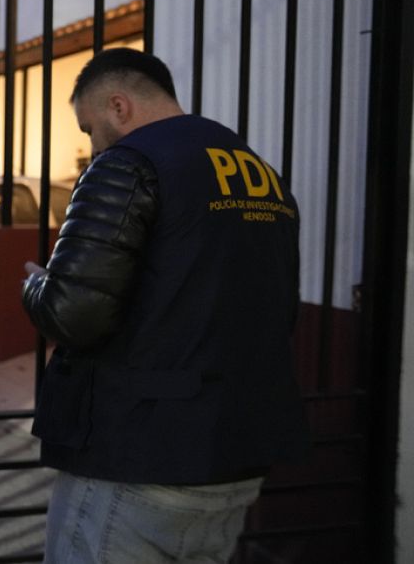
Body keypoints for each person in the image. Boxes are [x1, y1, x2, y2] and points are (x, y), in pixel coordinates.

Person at [21, 48, 309, 563]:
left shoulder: (130, 163)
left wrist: (37, 287)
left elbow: (73, 312)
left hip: (139, 457)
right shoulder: (260, 174)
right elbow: (278, 305)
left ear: (118, 106)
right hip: (237, 455)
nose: (91, 144)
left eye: (89, 128)